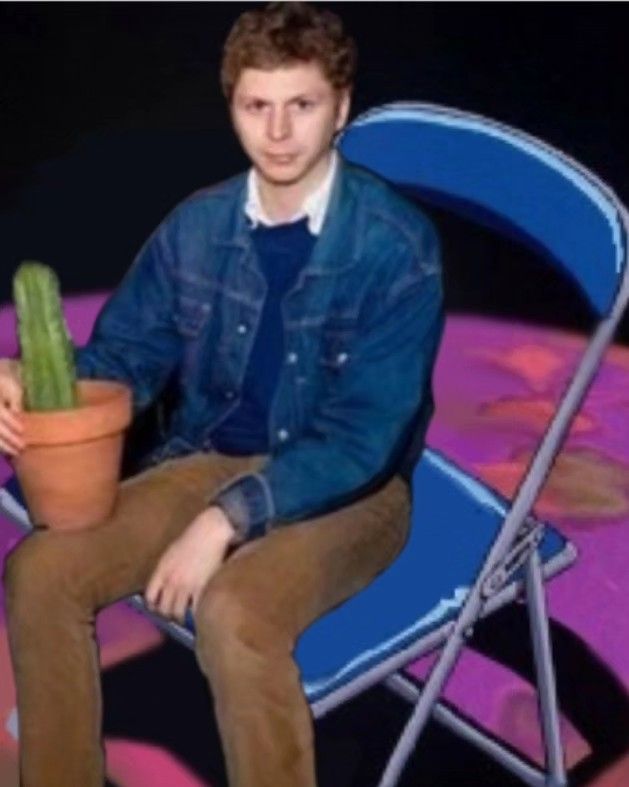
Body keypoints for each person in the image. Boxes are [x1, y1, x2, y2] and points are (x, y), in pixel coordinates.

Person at [0, 3, 444, 786]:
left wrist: (225, 519)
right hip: (215, 459)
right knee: (41, 569)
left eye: (300, 105)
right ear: (232, 107)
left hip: (353, 489)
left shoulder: (395, 245)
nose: (277, 132)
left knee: (235, 614)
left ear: (340, 108)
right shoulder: (195, 229)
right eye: (256, 106)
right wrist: (28, 384)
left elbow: (361, 438)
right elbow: (123, 358)